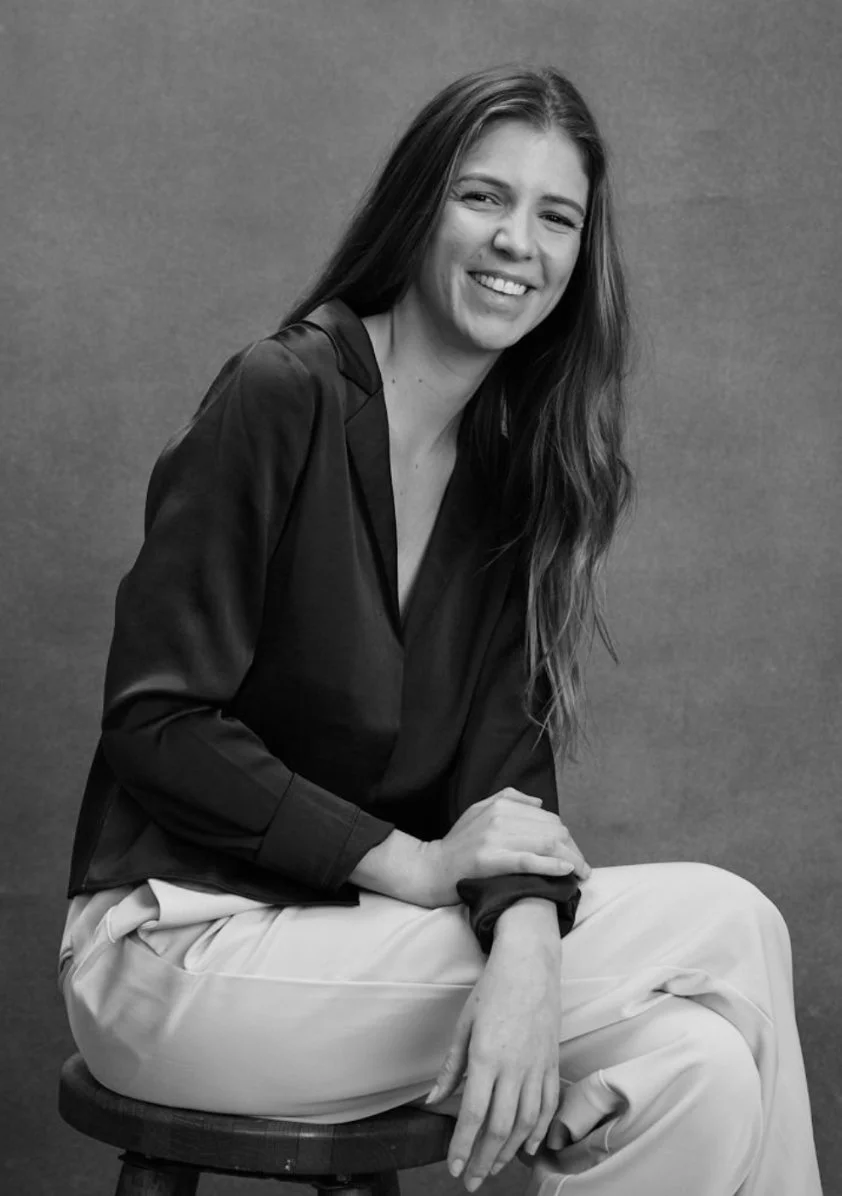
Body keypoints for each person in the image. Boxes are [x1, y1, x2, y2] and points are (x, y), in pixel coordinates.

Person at [58, 64, 822, 1195]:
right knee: (727, 922)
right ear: (420, 205)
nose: (517, 240)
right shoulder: (282, 394)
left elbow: (507, 789)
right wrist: (416, 865)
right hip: (180, 955)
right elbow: (157, 723)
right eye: (483, 198)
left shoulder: (511, 485)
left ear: (575, 259)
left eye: (554, 216)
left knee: (700, 1063)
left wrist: (522, 943)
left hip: (357, 962)